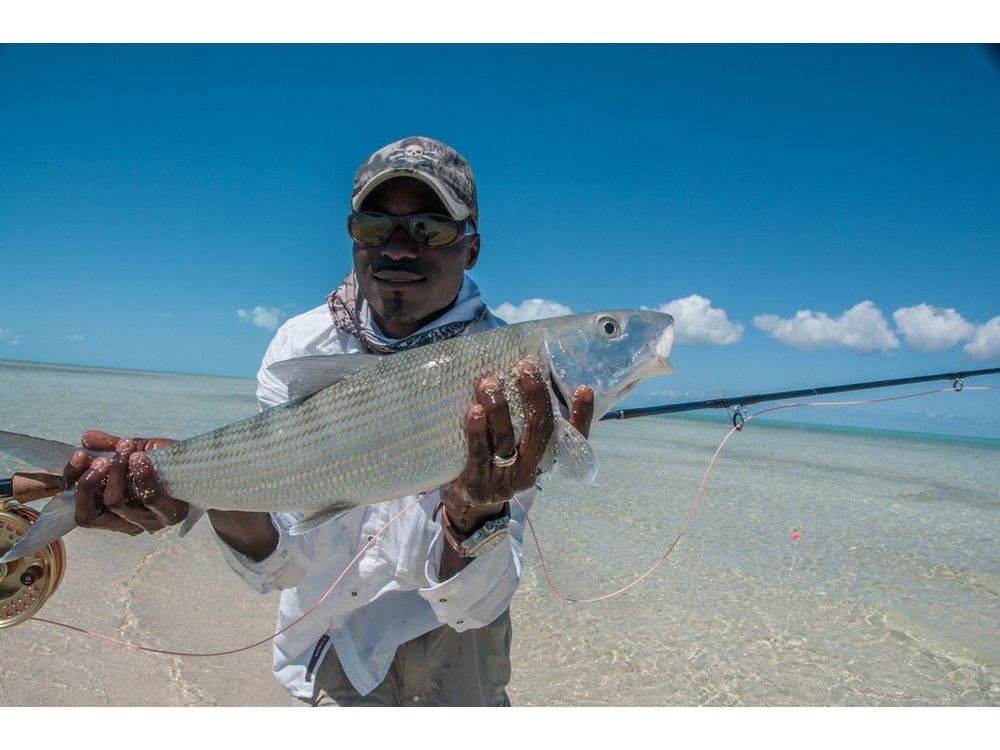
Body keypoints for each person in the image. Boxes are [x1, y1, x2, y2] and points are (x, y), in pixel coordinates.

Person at [63, 136, 595, 706]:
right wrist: (210, 484)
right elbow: (283, 565)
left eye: (430, 229)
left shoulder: (512, 367)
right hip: (327, 643)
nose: (397, 248)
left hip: (456, 647)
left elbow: (478, 604)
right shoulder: (301, 345)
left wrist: (476, 517)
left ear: (471, 248)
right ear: (352, 236)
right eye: (374, 226)